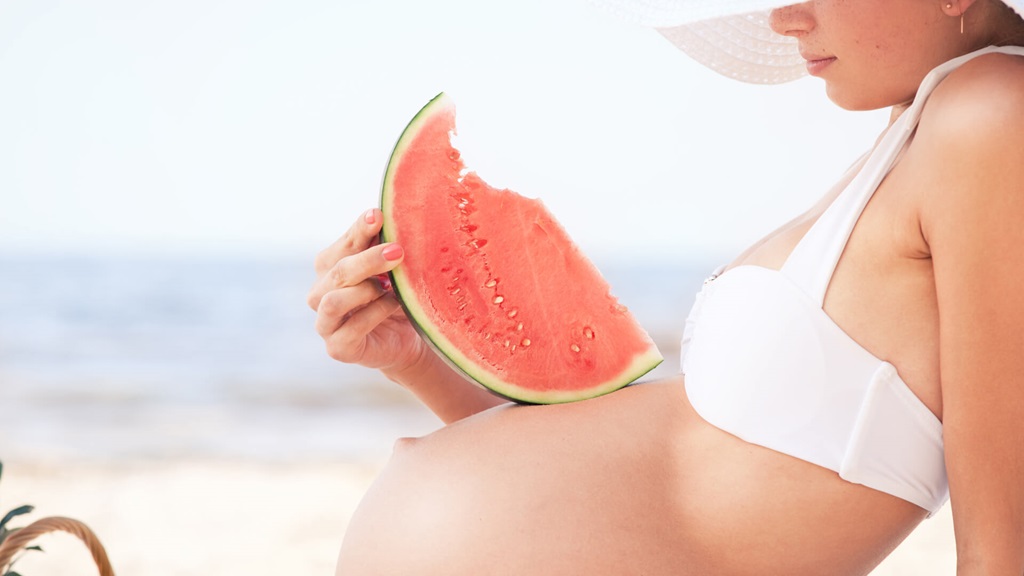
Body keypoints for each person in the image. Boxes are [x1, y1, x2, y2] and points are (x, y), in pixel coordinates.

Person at [306, 0, 1024, 573]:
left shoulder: (991, 113)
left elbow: (1000, 549)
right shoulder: (918, 133)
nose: (784, 18)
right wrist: (417, 359)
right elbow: (640, 492)